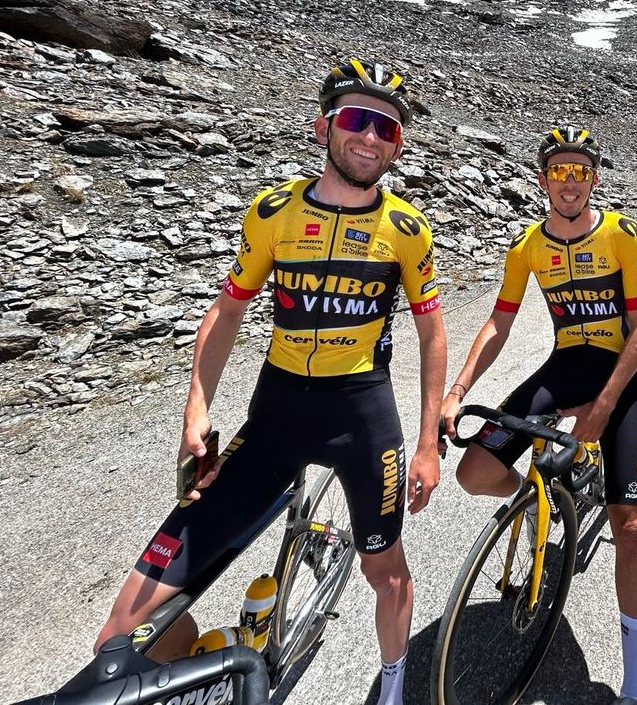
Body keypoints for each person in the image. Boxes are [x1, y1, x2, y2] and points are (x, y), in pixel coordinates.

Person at [94, 59, 446, 705]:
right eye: (357, 120)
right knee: (121, 634)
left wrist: (428, 441)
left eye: (388, 130)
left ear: (398, 147)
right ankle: (208, 671)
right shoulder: (274, 213)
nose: (371, 138)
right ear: (323, 127)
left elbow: (432, 333)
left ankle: (393, 688)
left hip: (362, 418)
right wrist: (195, 408)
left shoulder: (408, 229)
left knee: (386, 576)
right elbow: (228, 310)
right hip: (274, 419)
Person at [441, 127, 637, 705]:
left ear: (593, 179)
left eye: (579, 171)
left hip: (618, 380)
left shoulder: (622, 235)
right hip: (562, 368)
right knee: (474, 472)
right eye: (558, 170)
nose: (569, 181)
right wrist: (457, 389)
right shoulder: (528, 246)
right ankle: (541, 501)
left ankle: (633, 682)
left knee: (630, 527)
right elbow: (499, 323)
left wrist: (604, 405)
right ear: (543, 180)